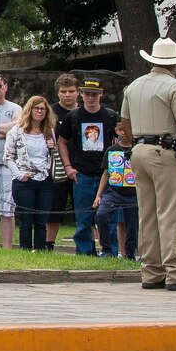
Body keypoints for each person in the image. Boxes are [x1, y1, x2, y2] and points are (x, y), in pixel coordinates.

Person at [121, 38, 176, 291]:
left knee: (147, 212)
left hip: (139, 150)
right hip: (167, 151)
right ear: (175, 64)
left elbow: (124, 126)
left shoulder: (134, 86)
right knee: (172, 211)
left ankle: (151, 270)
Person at [57, 78, 120, 258]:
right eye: (86, 94)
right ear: (81, 94)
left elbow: (122, 138)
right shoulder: (74, 116)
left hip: (106, 174)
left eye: (94, 94)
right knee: (84, 219)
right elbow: (62, 141)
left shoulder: (109, 116)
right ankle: (85, 253)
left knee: (108, 217)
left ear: (101, 94)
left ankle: (110, 252)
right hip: (82, 174)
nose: (90, 98)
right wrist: (68, 167)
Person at [4, 95, 55, 251]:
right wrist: (20, 175)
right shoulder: (17, 131)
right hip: (24, 180)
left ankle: (40, 250)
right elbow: (7, 157)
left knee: (41, 220)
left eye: (42, 109)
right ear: (30, 110)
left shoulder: (48, 131)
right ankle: (25, 249)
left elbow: (54, 156)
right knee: (26, 219)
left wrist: (52, 147)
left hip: (44, 179)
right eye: (36, 108)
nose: (39, 112)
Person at [94, 114, 139, 263]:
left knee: (132, 225)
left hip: (133, 193)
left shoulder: (138, 149)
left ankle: (130, 254)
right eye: (121, 129)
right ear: (116, 130)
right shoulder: (111, 150)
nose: (124, 133)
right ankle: (106, 249)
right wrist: (98, 195)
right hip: (113, 191)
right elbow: (105, 174)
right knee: (101, 215)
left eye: (128, 129)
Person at [44, 72, 80, 248]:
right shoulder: (49, 112)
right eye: (64, 91)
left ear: (78, 92)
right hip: (56, 166)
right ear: (58, 93)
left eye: (71, 91)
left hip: (81, 166)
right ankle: (49, 244)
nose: (67, 95)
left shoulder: (85, 111)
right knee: (54, 208)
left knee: (84, 208)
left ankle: (93, 243)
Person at [0, 75, 20, 251]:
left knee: (8, 208)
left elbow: (17, 128)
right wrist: (5, 130)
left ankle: (7, 247)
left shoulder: (15, 108)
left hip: (8, 164)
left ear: (5, 87)